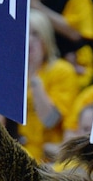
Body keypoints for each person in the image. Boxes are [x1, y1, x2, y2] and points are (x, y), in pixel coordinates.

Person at [17, 9, 81, 160]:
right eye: (25, 34)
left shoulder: (62, 70)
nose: (29, 40)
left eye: (35, 34)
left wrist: (33, 74)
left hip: (52, 157)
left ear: (46, 37)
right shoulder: (16, 76)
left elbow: (50, 120)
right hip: (22, 152)